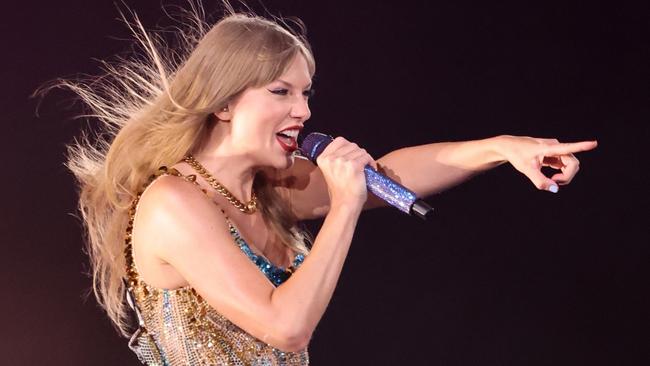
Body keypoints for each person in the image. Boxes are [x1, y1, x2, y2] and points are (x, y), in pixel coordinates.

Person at [58, 5, 597, 366]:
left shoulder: (267, 189)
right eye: (281, 92)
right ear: (222, 102)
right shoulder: (172, 203)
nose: (304, 110)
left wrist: (502, 147)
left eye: (306, 93)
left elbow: (390, 173)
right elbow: (286, 327)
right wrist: (343, 205)